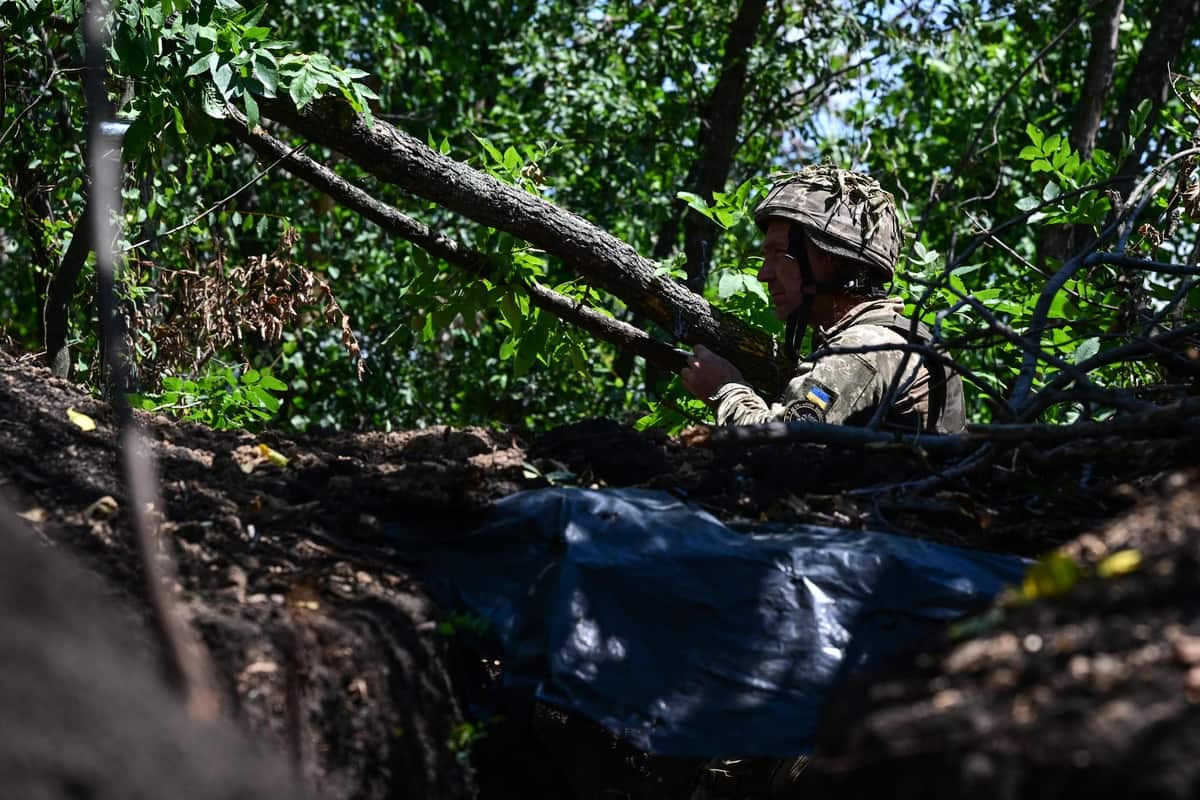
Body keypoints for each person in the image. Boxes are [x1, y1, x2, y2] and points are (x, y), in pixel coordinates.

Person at [680, 165, 966, 434]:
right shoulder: (888, 340)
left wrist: (726, 390)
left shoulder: (862, 347)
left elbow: (780, 445)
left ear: (830, 259)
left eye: (779, 253)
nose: (765, 274)